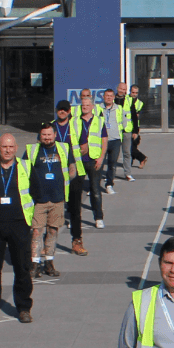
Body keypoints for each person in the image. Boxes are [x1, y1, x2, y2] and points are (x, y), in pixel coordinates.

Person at [0, 132, 35, 324]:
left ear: (16, 148)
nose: (8, 150)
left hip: (19, 224)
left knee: (22, 268)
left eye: (11, 147)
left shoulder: (26, 167)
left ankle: (24, 308)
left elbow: (34, 191)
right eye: (4, 147)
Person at [28, 122, 71, 278]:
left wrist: (63, 183)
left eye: (49, 134)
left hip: (57, 198)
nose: (46, 137)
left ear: (54, 135)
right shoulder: (32, 150)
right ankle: (34, 263)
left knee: (53, 231)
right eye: (44, 135)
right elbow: (24, 170)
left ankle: (49, 263)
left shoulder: (63, 149)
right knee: (36, 232)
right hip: (39, 199)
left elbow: (71, 169)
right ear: (40, 136)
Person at [58, 100, 104, 244]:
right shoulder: (75, 122)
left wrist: (101, 157)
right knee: (75, 193)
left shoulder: (98, 120)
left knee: (95, 189)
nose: (84, 108)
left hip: (94, 159)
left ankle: (98, 217)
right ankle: (73, 218)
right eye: (82, 106)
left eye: (87, 105)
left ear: (92, 107)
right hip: (77, 161)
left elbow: (102, 139)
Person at [99, 87, 128, 192]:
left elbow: (124, 122)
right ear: (103, 97)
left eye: (111, 96)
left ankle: (109, 184)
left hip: (115, 140)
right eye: (107, 96)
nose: (109, 98)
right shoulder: (98, 108)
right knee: (99, 164)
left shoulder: (119, 108)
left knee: (112, 164)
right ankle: (94, 186)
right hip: (101, 141)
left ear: (114, 97)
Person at [119, 81, 147, 170]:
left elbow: (136, 117)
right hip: (124, 127)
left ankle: (142, 158)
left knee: (131, 147)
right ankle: (133, 161)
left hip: (133, 127)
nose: (134, 94)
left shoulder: (140, 103)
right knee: (129, 148)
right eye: (133, 92)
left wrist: (135, 131)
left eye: (136, 93)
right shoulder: (125, 99)